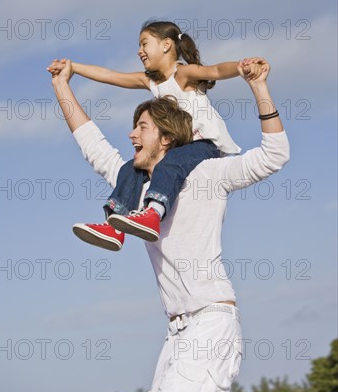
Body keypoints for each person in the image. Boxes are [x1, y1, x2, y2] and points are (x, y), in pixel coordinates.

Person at [49, 58, 289, 392]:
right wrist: (61, 85)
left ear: (165, 139)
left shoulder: (207, 175)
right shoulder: (135, 189)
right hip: (177, 332)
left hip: (209, 322)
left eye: (141, 127)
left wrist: (260, 88)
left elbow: (274, 155)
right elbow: (92, 144)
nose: (131, 135)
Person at [47, 20, 266, 251]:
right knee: (132, 168)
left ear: (166, 45)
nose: (139, 51)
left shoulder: (182, 73)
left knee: (168, 164)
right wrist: (72, 67)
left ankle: (153, 212)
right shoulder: (150, 81)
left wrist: (242, 67)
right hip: (176, 147)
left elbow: (216, 70)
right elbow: (111, 76)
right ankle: (115, 226)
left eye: (144, 43)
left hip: (204, 144)